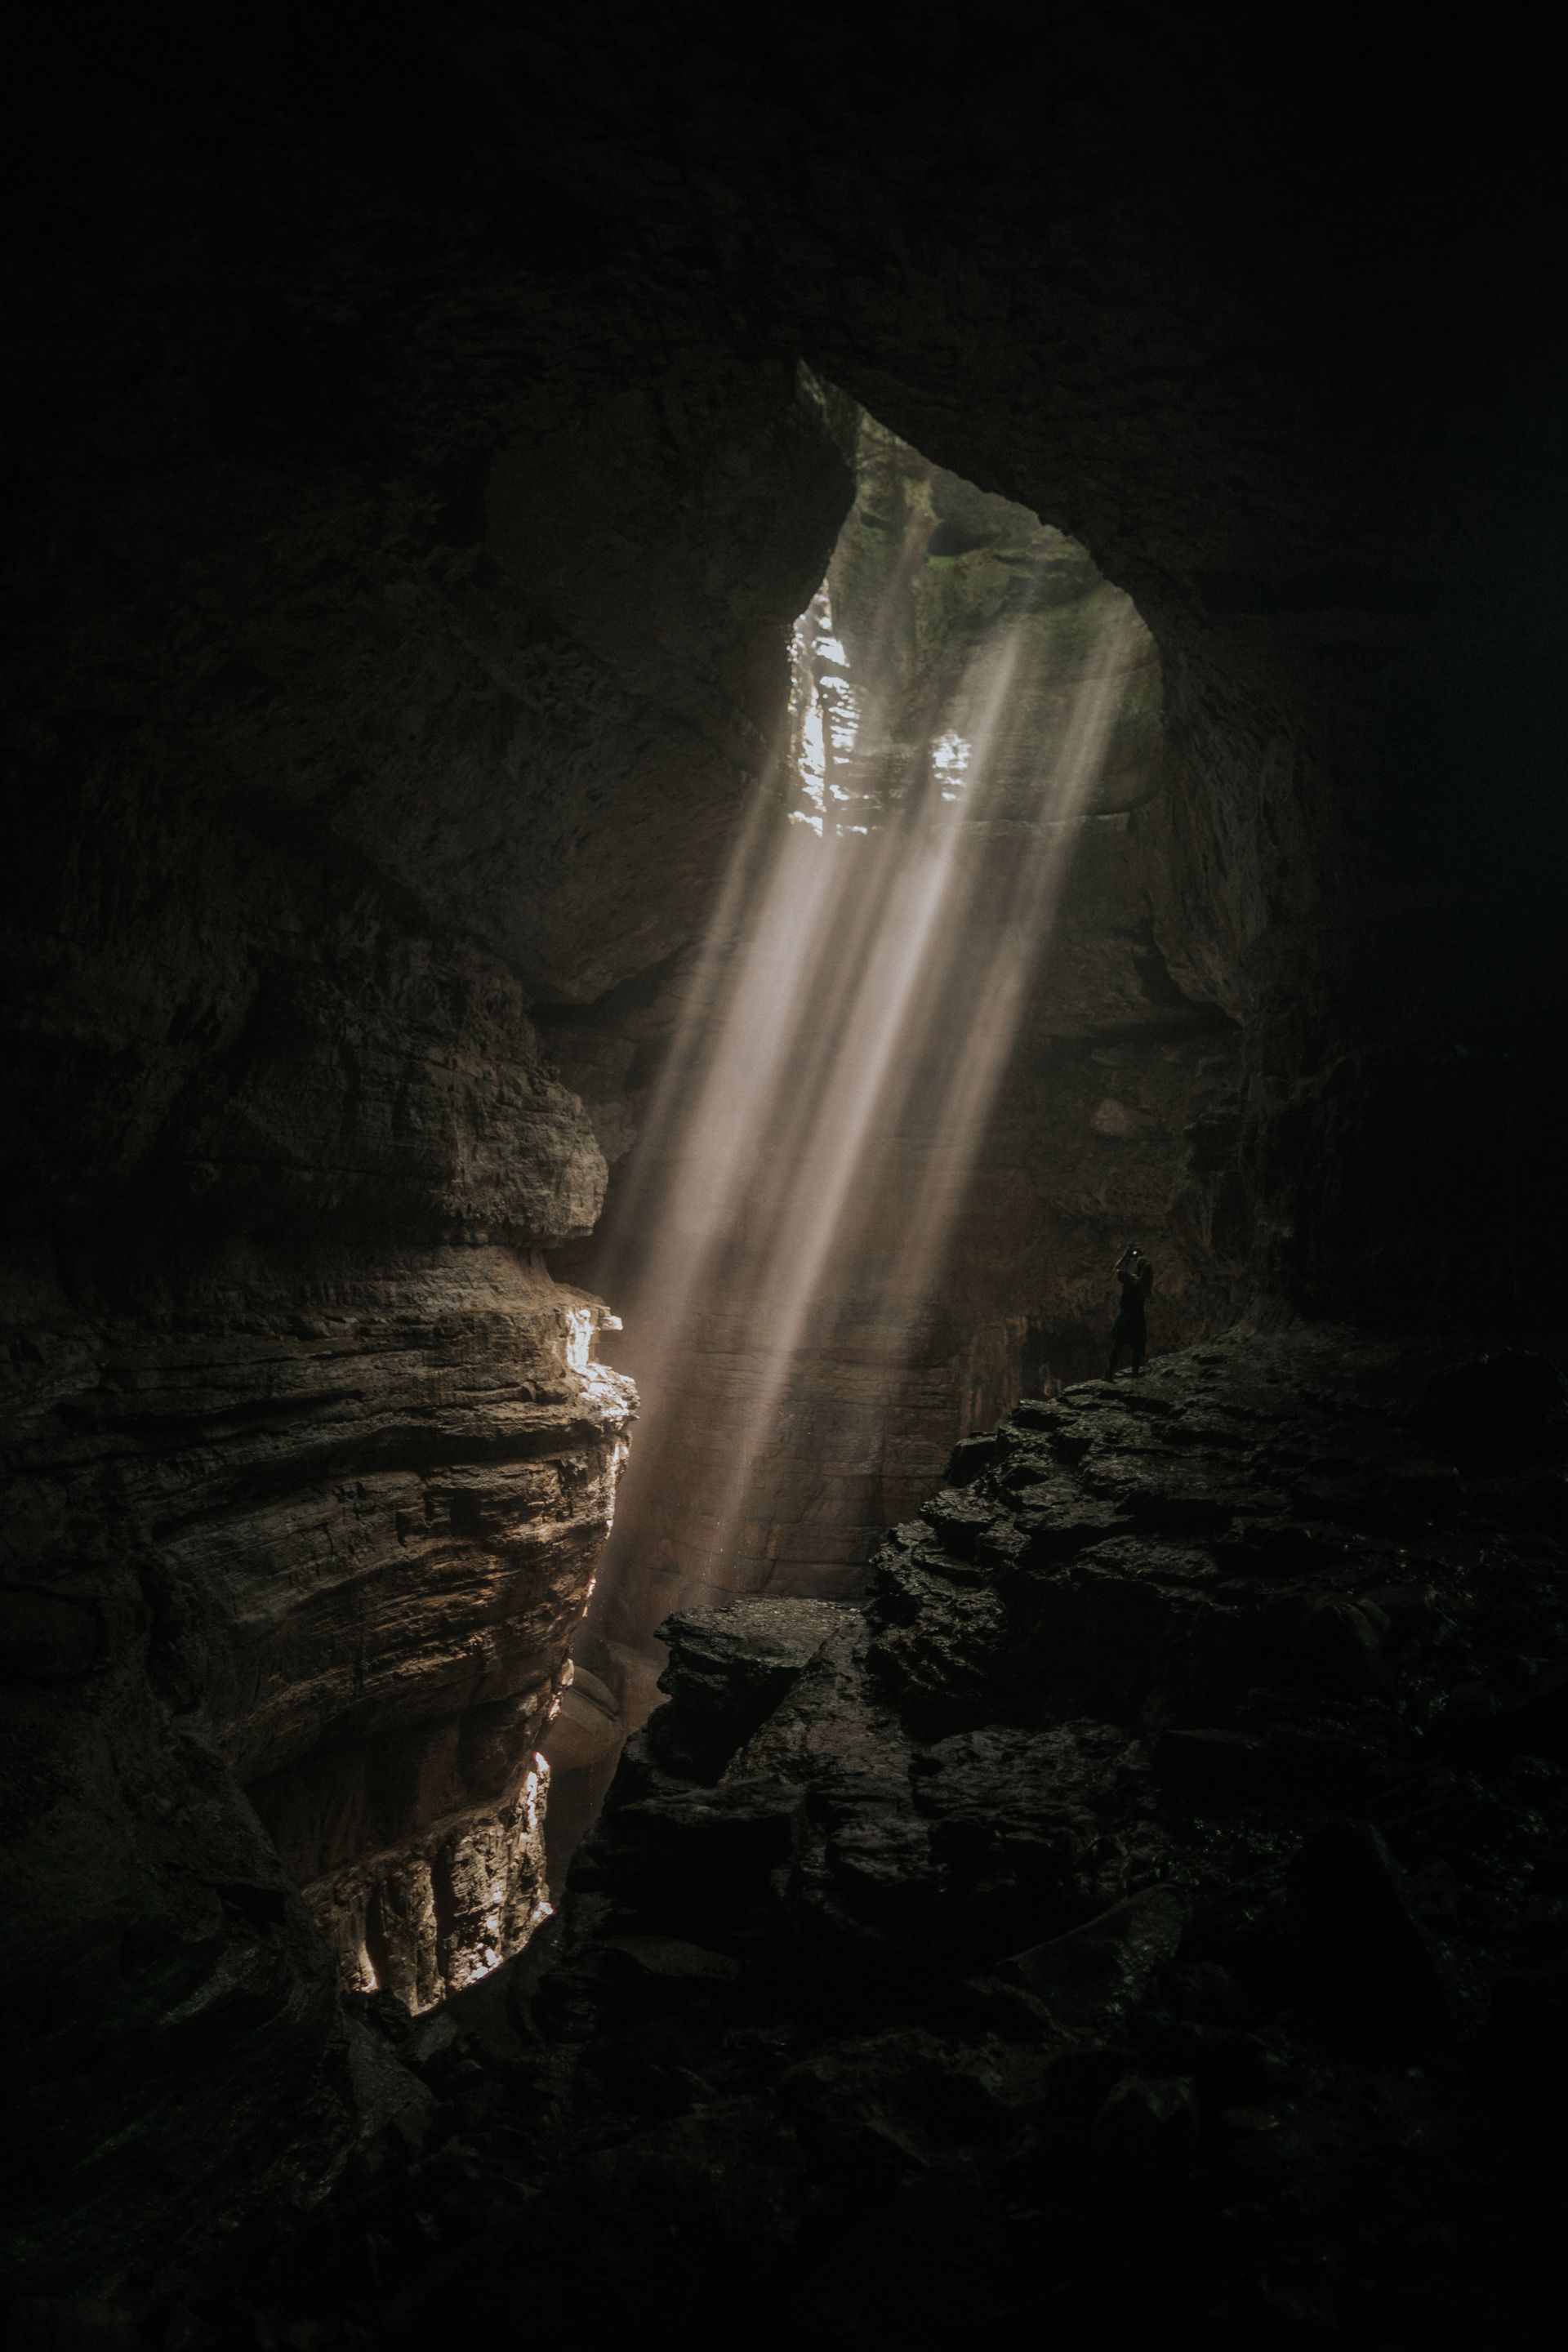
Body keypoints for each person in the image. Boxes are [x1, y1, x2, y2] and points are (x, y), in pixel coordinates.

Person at [1107, 1244, 1152, 1378]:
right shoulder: (1145, 1286)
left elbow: (1116, 1269)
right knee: (1137, 1346)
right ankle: (1135, 1372)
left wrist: (1126, 1256)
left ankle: (1109, 1373)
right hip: (1138, 1317)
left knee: (1117, 1346)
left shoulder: (1130, 1279)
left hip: (1125, 1315)